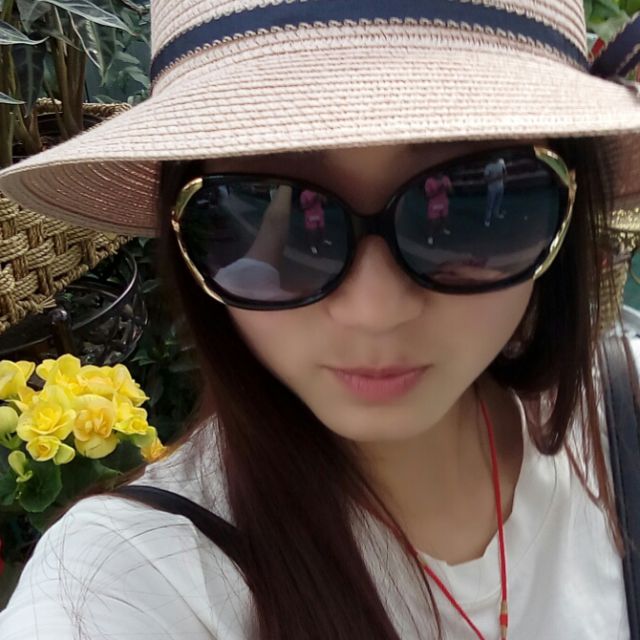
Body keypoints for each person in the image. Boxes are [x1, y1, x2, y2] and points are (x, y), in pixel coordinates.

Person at [0, 1, 639, 639]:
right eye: (272, 207)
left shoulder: (626, 413)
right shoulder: (121, 581)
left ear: (569, 204)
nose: (374, 312)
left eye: (467, 205)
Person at [424, 173, 453, 245]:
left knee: (444, 218)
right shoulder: (429, 181)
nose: (439, 174)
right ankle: (430, 236)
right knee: (433, 222)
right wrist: (438, 189)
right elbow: (428, 195)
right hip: (434, 203)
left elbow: (451, 192)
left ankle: (442, 229)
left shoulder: (446, 178)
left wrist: (448, 188)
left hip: (444, 202)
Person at [483, 158, 507, 227]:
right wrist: (496, 177)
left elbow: (505, 173)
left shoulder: (501, 163)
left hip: (500, 187)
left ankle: (496, 214)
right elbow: (486, 180)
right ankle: (487, 220)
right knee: (489, 205)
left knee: (498, 202)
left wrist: (504, 180)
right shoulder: (488, 166)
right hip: (492, 189)